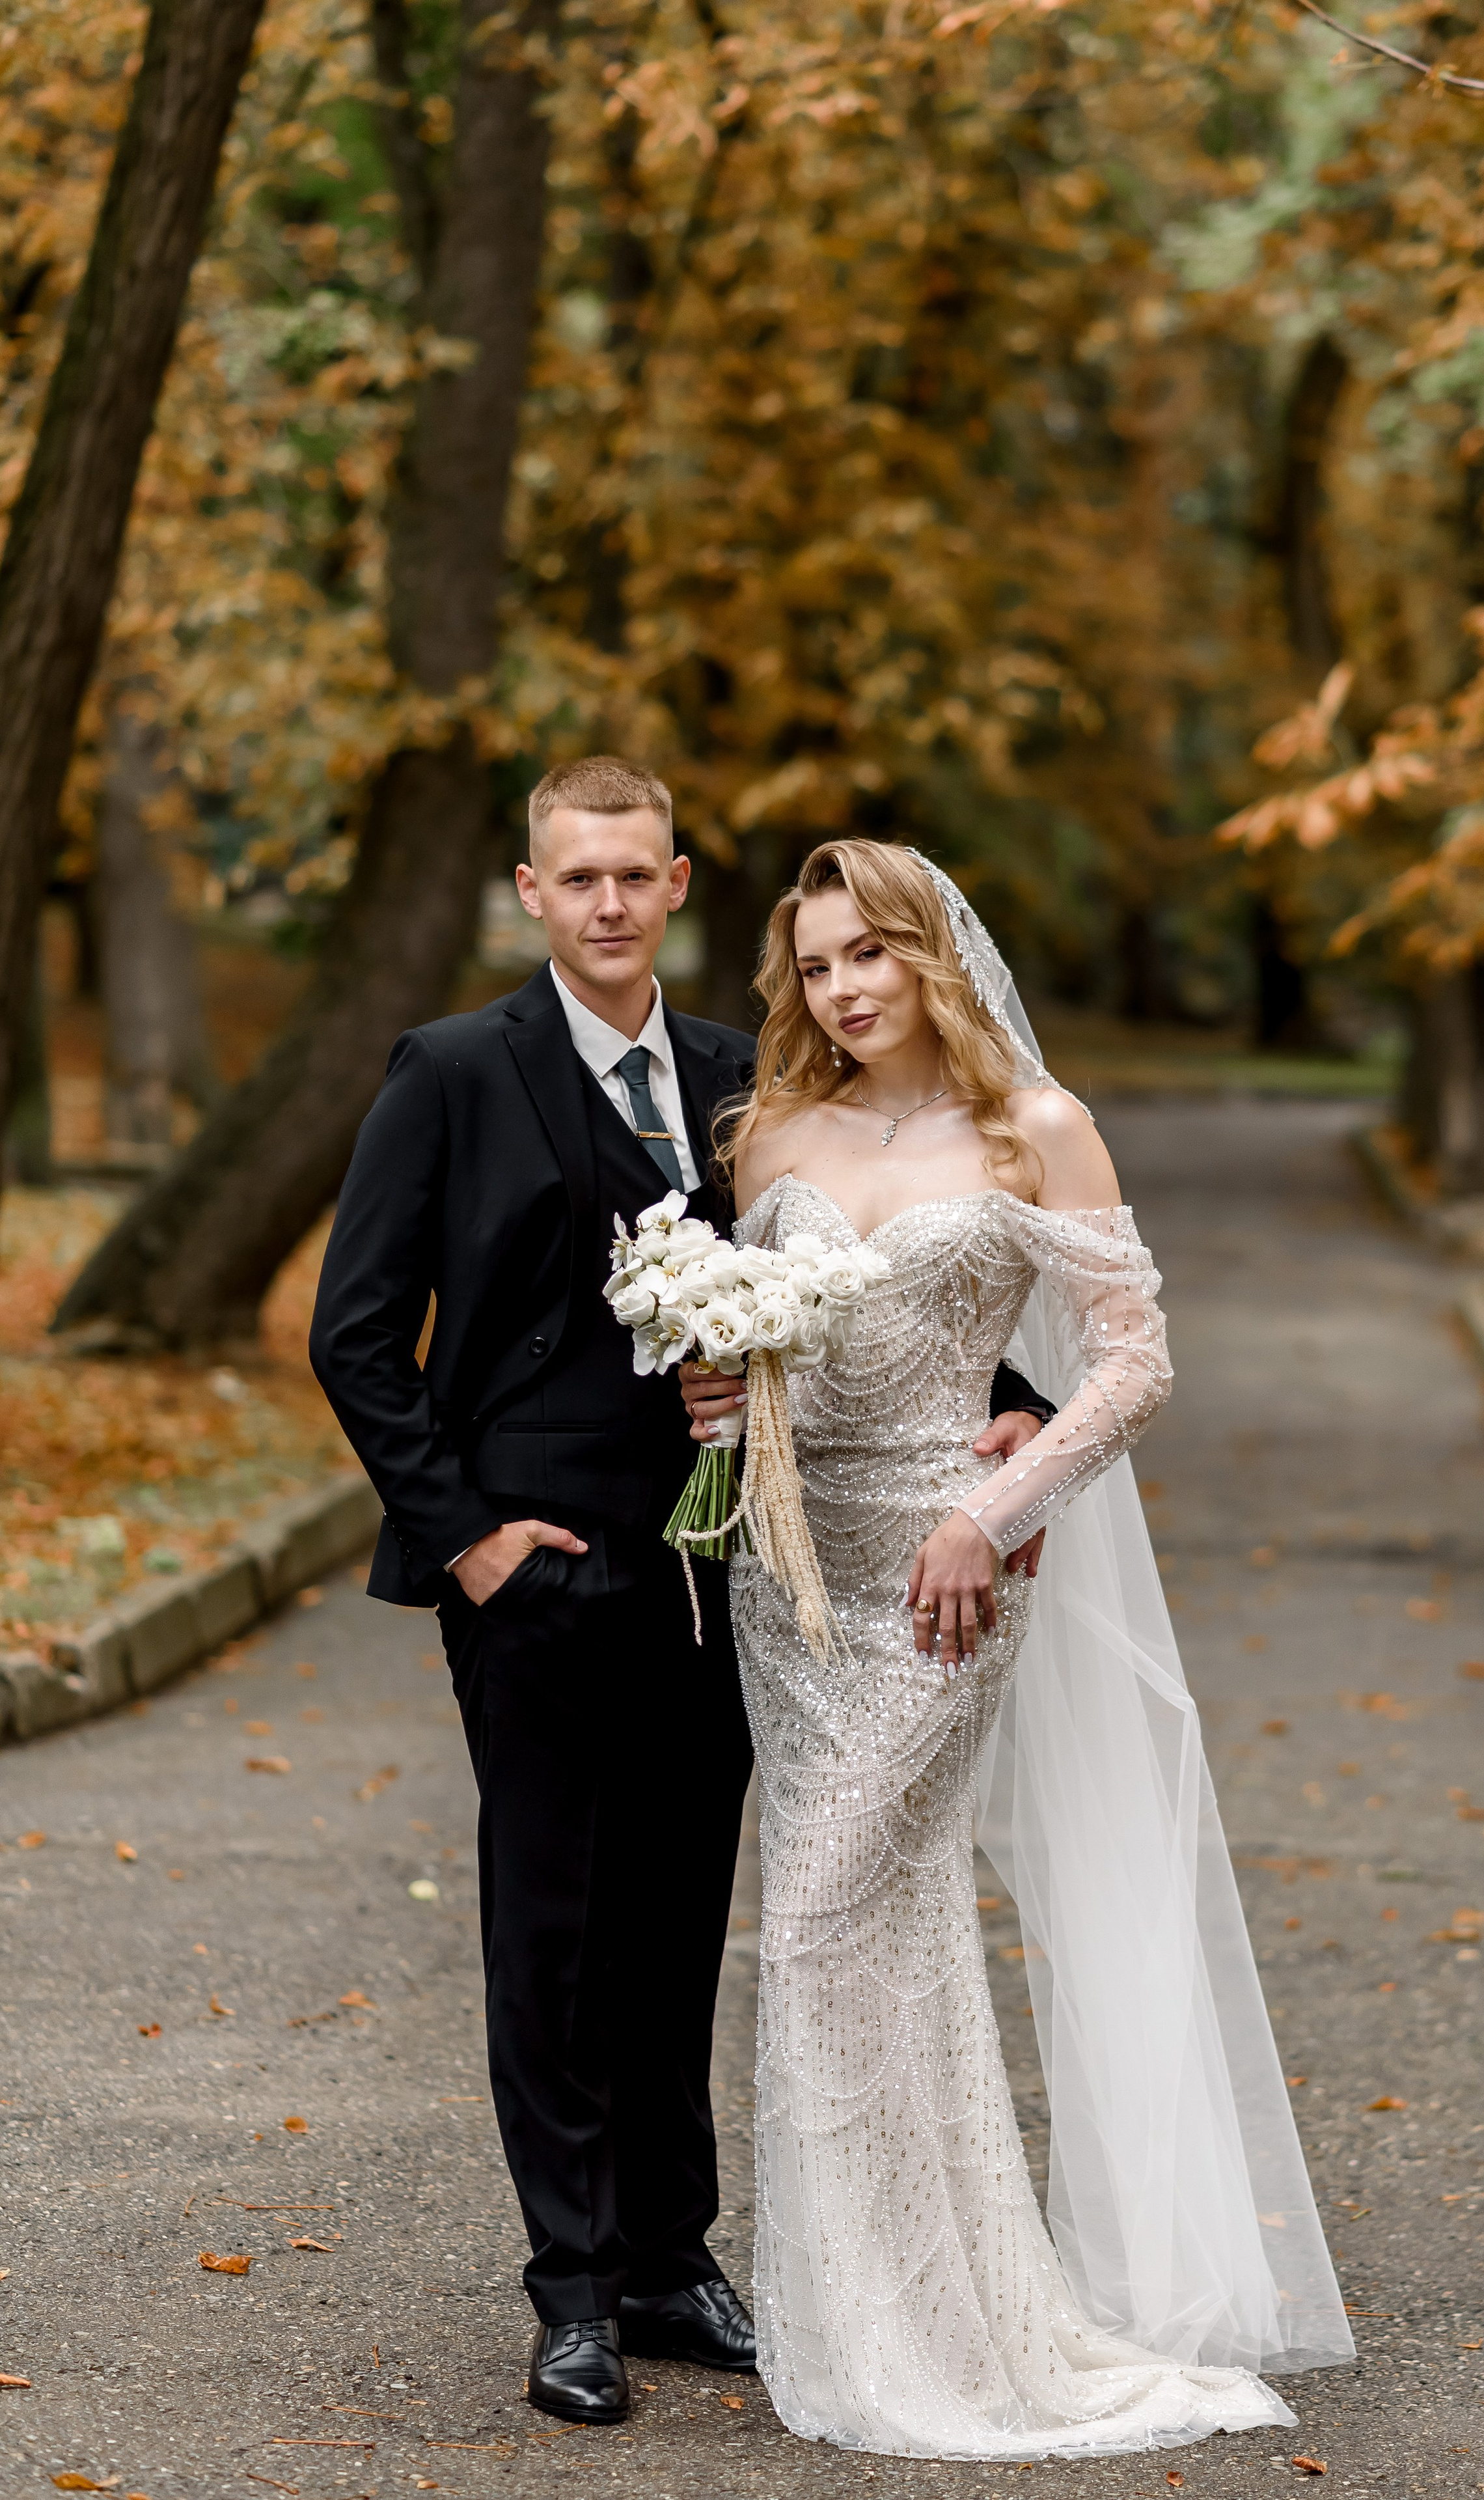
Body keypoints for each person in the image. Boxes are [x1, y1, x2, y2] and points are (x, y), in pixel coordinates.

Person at [307, 760, 1054, 2427]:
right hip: (537, 1577)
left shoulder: (742, 1074)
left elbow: (855, 1279)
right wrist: (472, 1542)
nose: (607, 904)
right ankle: (568, 2288)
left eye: (636, 875)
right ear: (530, 889)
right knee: (553, 1932)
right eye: (577, 878)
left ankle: (664, 2255)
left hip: (736, 1575)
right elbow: (355, 1338)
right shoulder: (449, 1073)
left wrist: (1004, 1391)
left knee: (669, 1930)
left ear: (677, 880)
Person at [678, 838, 1354, 2460]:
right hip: (791, 1568)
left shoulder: (1033, 1130)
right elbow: (747, 1338)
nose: (842, 990)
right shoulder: (766, 1127)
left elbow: (1129, 1366)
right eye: (816, 964)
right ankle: (902, 2304)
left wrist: (1003, 1502)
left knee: (825, 1903)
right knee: (871, 1920)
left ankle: (905, 2334)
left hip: (943, 1569)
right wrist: (711, 1389)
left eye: (868, 956)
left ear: (930, 955)